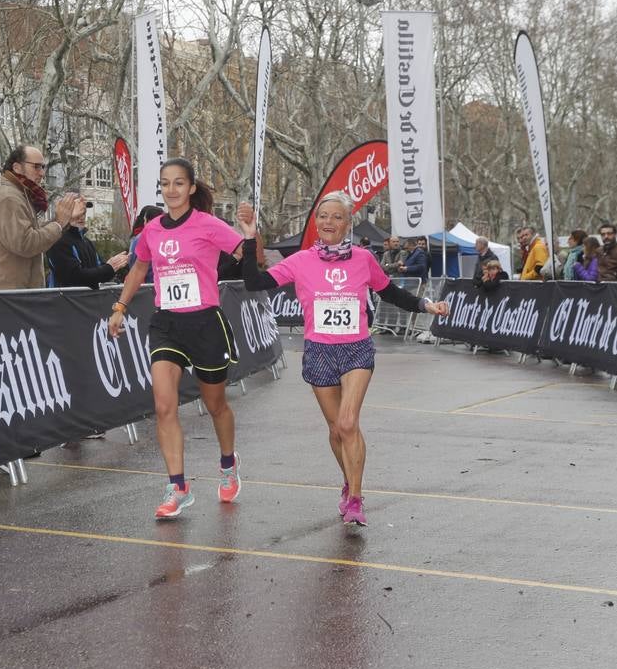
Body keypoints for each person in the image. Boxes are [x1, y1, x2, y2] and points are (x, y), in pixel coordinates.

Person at [234, 192, 447, 526]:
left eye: (336, 217)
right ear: (316, 222)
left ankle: (357, 499)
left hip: (356, 348)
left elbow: (390, 292)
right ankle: (349, 480)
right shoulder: (301, 261)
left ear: (348, 224)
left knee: (349, 423)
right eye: (323, 216)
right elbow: (254, 282)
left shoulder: (363, 259)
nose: (328, 222)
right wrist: (249, 237)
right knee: (336, 431)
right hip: (319, 351)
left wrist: (425, 306)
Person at [107, 158, 243, 519]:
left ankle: (228, 464)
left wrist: (250, 236)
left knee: (216, 405)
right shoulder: (151, 229)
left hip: (204, 323)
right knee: (164, 406)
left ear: (191, 188)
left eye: (179, 183)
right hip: (166, 324)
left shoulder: (209, 225)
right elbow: (139, 266)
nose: (171, 190)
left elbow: (245, 255)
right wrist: (120, 306)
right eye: (166, 184)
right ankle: (177, 486)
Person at [0, 145, 84, 291]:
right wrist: (59, 223)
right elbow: (25, 243)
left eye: (43, 167)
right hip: (8, 297)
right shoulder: (8, 197)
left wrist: (63, 220)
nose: (42, 173)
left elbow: (33, 234)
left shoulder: (20, 195)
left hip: (16, 294)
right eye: (36, 167)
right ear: (17, 167)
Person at [46, 198, 129, 289]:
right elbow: (74, 277)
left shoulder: (86, 241)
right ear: (65, 213)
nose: (81, 217)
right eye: (77, 212)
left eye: (84, 212)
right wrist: (109, 268)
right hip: (67, 301)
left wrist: (113, 267)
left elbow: (99, 272)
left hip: (87, 300)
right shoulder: (58, 241)